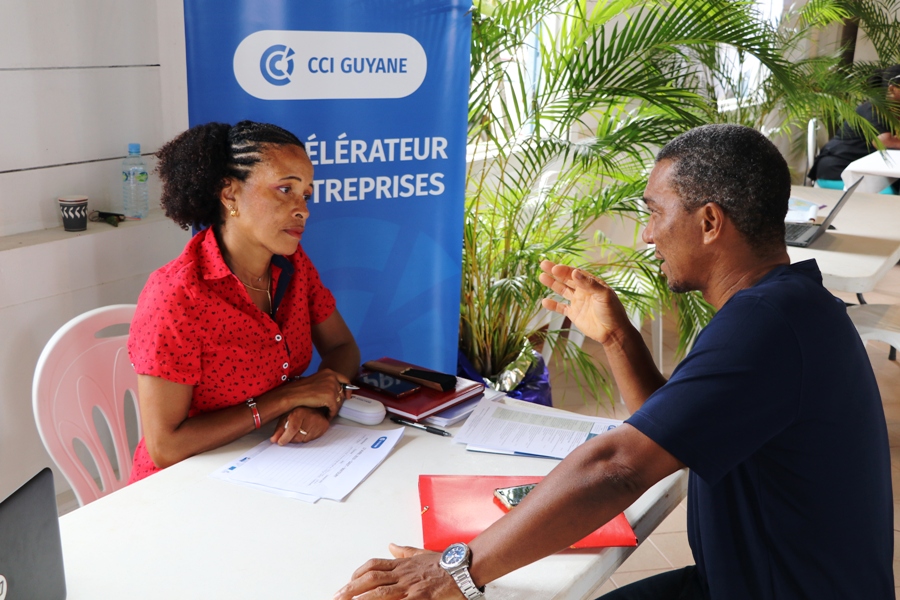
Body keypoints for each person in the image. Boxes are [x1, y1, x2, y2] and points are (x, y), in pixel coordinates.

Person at [335, 124, 893, 600]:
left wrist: (457, 570)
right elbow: (672, 433)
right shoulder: (786, 305)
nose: (648, 235)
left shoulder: (765, 325)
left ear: (709, 222)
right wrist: (617, 335)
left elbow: (618, 466)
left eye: (654, 212)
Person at [127, 121, 360, 483]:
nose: (303, 209)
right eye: (285, 189)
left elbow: (343, 347)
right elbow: (165, 446)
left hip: (273, 463)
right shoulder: (176, 295)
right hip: (182, 486)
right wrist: (285, 399)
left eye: (306, 194)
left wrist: (320, 407)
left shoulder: (294, 266)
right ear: (230, 194)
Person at [808, 64, 900, 183]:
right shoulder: (873, 108)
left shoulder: (893, 111)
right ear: (892, 89)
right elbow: (883, 141)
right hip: (838, 169)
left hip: (864, 172)